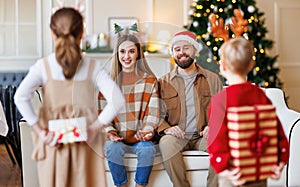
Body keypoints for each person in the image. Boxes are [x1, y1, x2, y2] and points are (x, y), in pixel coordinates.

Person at [14, 7, 125, 187]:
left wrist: (41, 132)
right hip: (86, 141)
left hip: (54, 141)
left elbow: (20, 97)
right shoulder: (92, 66)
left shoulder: (44, 66)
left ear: (52, 34)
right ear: (82, 33)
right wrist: (94, 128)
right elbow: (117, 100)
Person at [207, 38, 290, 187]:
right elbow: (275, 130)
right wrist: (280, 160)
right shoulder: (261, 95)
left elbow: (216, 138)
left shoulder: (220, 100)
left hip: (233, 172)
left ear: (223, 65)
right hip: (259, 168)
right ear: (251, 65)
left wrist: (222, 168)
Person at [157, 30, 223, 187]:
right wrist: (166, 129)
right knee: (166, 143)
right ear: (173, 53)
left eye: (186, 48)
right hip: (178, 137)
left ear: (195, 50)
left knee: (222, 144)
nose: (182, 53)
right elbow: (155, 113)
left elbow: (222, 110)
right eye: (177, 49)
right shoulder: (163, 83)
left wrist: (213, 126)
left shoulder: (212, 79)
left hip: (202, 137)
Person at [98, 31, 160, 187]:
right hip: (117, 138)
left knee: (148, 150)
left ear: (138, 54)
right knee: (112, 148)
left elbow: (153, 114)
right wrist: (111, 133)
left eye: (132, 51)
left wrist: (146, 132)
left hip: (140, 139)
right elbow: (102, 114)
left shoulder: (150, 81)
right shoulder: (107, 82)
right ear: (117, 54)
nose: (127, 56)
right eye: (123, 51)